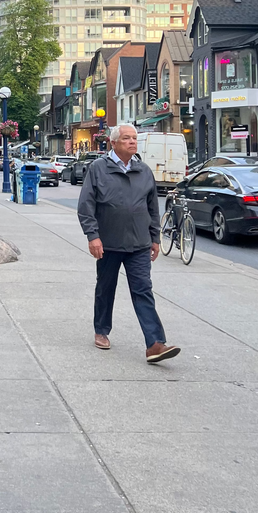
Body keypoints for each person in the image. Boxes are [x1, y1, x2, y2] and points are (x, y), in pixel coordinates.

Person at [77, 122, 181, 364]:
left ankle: (155, 344)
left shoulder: (144, 170)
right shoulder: (98, 169)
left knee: (143, 290)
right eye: (126, 138)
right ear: (113, 143)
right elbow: (86, 206)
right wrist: (93, 236)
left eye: (134, 138)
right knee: (106, 289)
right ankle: (101, 330)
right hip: (109, 243)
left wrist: (155, 237)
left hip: (139, 244)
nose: (132, 142)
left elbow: (152, 207)